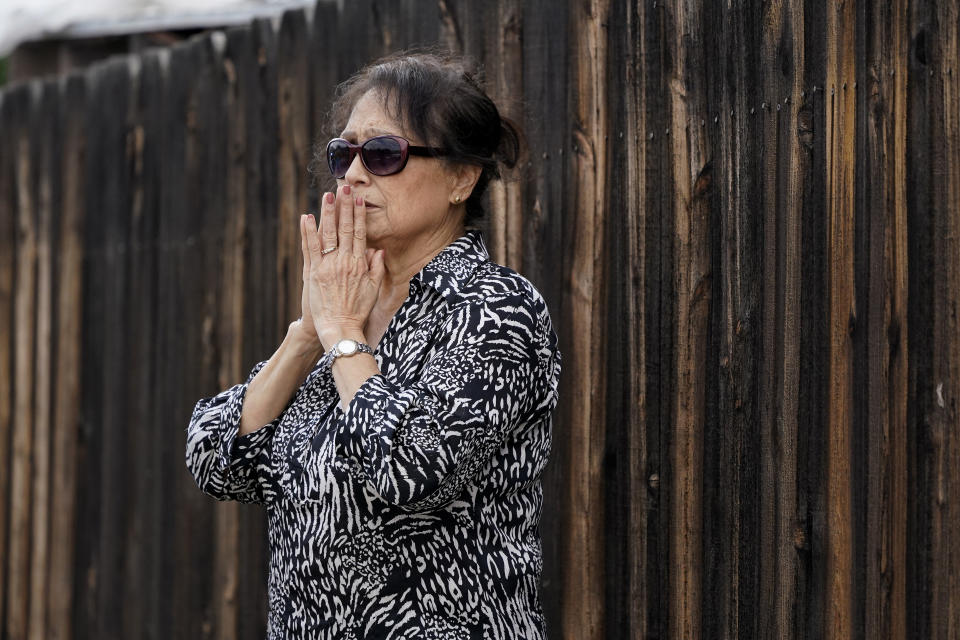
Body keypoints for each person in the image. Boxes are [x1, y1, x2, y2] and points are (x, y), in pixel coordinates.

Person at [185, 51, 561, 639]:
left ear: (462, 178)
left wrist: (341, 339)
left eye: (384, 154)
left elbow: (406, 468)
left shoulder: (496, 311)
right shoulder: (348, 313)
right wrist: (307, 336)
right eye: (344, 153)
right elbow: (219, 462)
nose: (353, 174)